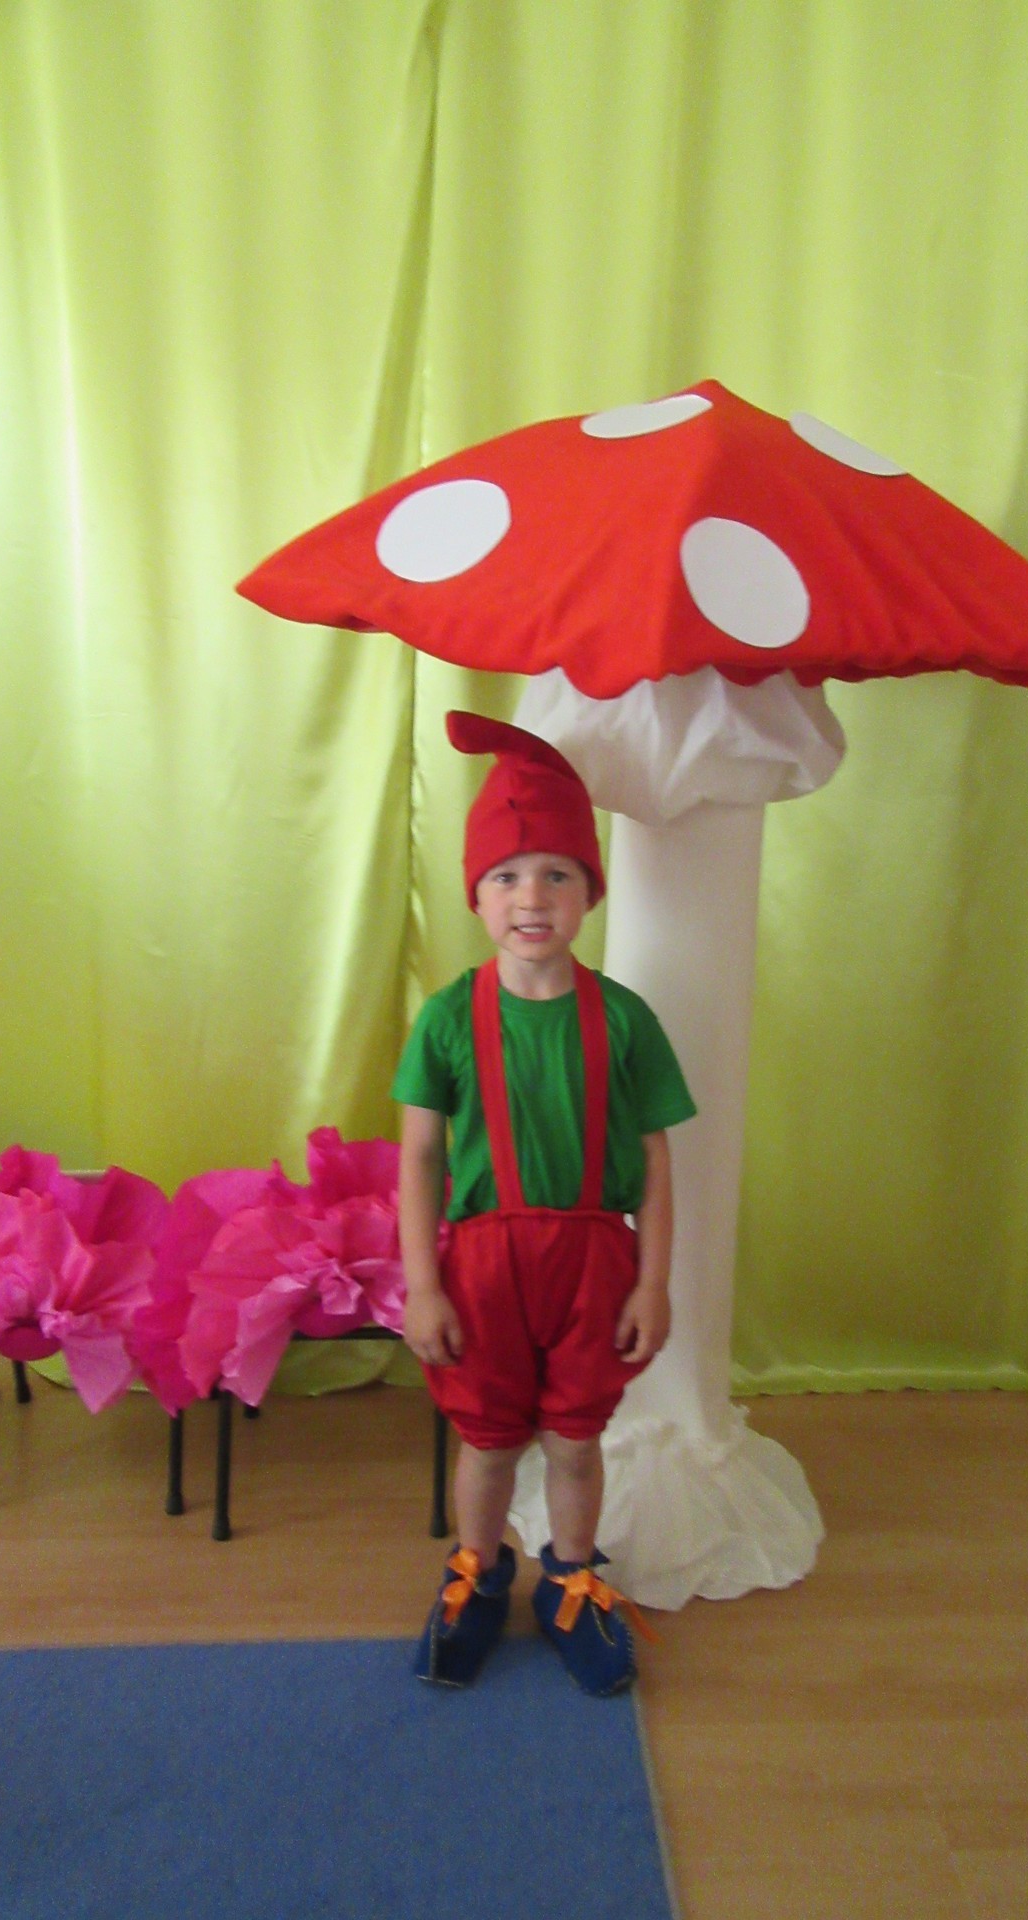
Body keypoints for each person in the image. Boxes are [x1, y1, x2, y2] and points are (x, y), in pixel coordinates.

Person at [394, 710, 696, 1694]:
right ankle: (478, 1578)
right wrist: (424, 1286)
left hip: (594, 1264)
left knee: (575, 1438)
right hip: (482, 1269)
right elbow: (420, 1160)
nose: (533, 897)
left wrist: (653, 1281)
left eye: (558, 874)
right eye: (508, 875)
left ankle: (572, 1579)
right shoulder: (446, 1019)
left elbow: (654, 1161)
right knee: (487, 1441)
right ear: (477, 894)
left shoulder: (626, 1019)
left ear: (590, 892)